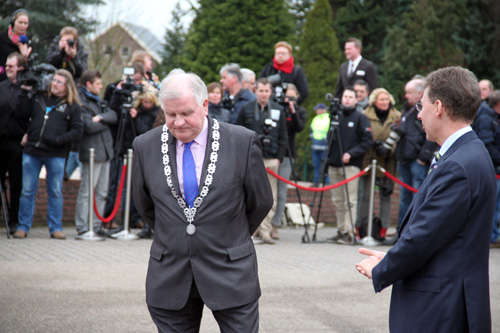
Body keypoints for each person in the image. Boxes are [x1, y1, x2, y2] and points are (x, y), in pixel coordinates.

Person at [356, 66, 495, 333]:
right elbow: (442, 234)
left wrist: (383, 268)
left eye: (423, 106)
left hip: (441, 308)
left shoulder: (459, 163)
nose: (419, 114)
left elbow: (422, 238)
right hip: (448, 299)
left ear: (439, 107)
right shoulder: (467, 152)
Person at [132, 72, 273, 332]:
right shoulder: (145, 146)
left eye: (186, 113)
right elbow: (146, 206)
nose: (178, 122)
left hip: (231, 271)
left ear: (205, 105)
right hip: (170, 275)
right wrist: (176, 235)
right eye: (170, 114)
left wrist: (231, 235)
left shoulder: (241, 142)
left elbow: (261, 202)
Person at [13, 69, 83, 239]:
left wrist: (58, 140)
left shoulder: (72, 106)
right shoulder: (38, 97)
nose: (55, 84)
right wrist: (24, 91)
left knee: (55, 191)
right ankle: (23, 226)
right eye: (54, 80)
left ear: (67, 86)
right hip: (32, 151)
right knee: (28, 190)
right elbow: (21, 113)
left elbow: (78, 131)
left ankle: (55, 227)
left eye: (60, 81)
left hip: (56, 153)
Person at [387, 78, 439, 245]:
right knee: (404, 198)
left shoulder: (425, 110)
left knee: (418, 197)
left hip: (417, 161)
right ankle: (401, 233)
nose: (405, 95)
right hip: (404, 159)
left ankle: (415, 234)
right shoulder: (406, 110)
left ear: (419, 93)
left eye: (409, 92)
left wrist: (422, 158)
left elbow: (430, 135)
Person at [237, 77, 288, 244]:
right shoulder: (246, 109)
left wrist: (278, 158)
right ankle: (252, 231)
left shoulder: (279, 110)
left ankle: (265, 231)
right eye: (261, 91)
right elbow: (239, 133)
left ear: (271, 92)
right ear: (255, 91)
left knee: (270, 197)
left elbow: (283, 137)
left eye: (267, 91)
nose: (264, 94)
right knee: (250, 195)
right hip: (251, 159)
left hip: (272, 160)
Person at [326, 88, 373, 244]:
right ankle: (341, 230)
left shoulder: (361, 118)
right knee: (337, 200)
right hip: (334, 165)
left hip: (351, 166)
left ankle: (349, 232)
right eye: (345, 96)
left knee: (350, 200)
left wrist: (351, 154)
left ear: (356, 100)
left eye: (350, 97)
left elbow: (367, 141)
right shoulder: (335, 117)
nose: (347, 99)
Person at [75, 69, 117, 236]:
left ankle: (96, 226)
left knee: (102, 193)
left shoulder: (98, 101)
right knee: (86, 191)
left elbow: (113, 115)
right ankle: (83, 227)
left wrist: (100, 118)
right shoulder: (81, 102)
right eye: (98, 84)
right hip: (92, 153)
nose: (101, 87)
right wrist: (104, 119)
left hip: (106, 152)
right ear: (88, 84)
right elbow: (88, 126)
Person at [356, 88, 400, 241]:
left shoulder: (397, 116)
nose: (384, 103)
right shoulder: (364, 115)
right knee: (365, 196)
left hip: (388, 163)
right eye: (381, 100)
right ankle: (360, 228)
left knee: (386, 196)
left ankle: (383, 230)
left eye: (386, 100)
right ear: (374, 101)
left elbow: (400, 137)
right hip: (369, 160)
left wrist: (388, 148)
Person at [270, 83, 306, 239]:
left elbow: (299, 127)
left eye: (292, 97)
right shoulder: (276, 109)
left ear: (297, 97)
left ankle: (275, 225)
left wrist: (292, 111)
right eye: (286, 97)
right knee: (269, 190)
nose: (289, 100)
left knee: (281, 190)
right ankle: (263, 224)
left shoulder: (299, 111)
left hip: (287, 154)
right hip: (273, 153)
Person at [0, 52, 29, 233]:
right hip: (0, 141)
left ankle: (14, 221)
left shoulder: (27, 90)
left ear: (20, 68)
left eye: (11, 66)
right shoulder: (1, 87)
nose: (7, 69)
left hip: (17, 143)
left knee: (17, 184)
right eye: (6, 66)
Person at [472, 90, 500, 247]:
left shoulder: (493, 117)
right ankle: (489, 237)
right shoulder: (485, 118)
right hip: (493, 168)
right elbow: (487, 143)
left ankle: (493, 236)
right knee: (491, 206)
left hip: (497, 168)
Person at [0, 9, 32, 82]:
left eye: (25, 23)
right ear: (13, 22)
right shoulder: (2, 38)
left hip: (18, 82)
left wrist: (24, 56)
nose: (22, 26)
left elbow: (29, 69)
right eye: (20, 22)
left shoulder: (28, 43)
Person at [310, 103, 330, 186]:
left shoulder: (328, 118)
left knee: (325, 166)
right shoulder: (315, 119)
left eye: (317, 109)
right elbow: (311, 131)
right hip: (315, 146)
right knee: (316, 165)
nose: (316, 111)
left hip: (324, 147)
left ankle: (327, 182)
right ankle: (316, 181)